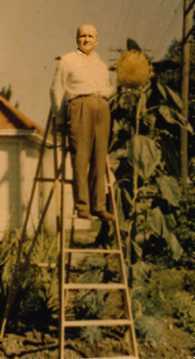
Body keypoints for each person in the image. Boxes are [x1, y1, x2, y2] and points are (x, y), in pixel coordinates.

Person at [50, 24, 114, 221]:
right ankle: (83, 206)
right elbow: (56, 89)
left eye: (90, 36)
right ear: (77, 39)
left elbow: (108, 87)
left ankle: (99, 206)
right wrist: (60, 118)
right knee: (81, 157)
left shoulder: (101, 64)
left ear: (97, 40)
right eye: (82, 36)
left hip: (102, 108)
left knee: (99, 157)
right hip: (79, 106)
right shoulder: (67, 60)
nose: (86, 39)